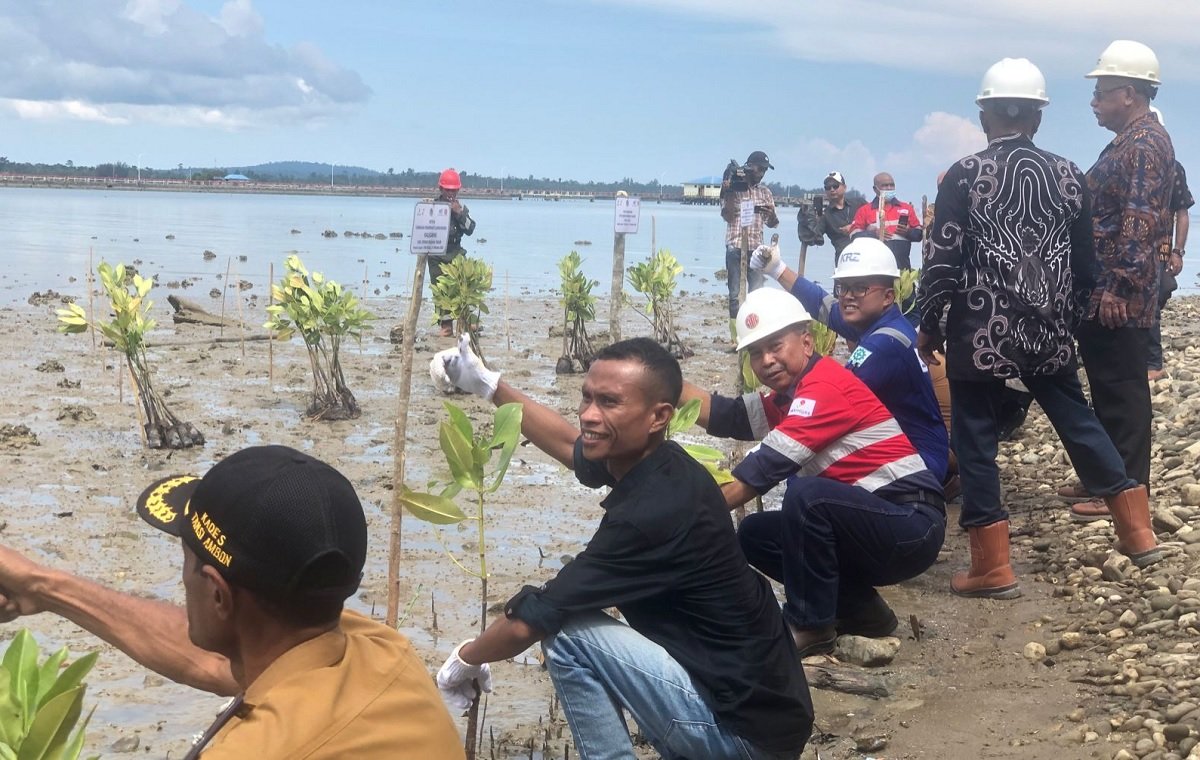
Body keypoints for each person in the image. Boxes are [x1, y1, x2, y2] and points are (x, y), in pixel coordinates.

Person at [430, 336, 812, 759]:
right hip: (769, 713)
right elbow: (568, 445)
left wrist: (461, 663)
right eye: (587, 398)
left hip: (745, 739)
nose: (590, 415)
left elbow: (533, 619)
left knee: (567, 633)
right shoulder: (660, 463)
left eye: (610, 402)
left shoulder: (651, 514)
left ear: (659, 416)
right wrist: (487, 385)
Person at [0, 445, 464, 759]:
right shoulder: (380, 650)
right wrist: (43, 587)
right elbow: (219, 666)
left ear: (217, 592)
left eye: (185, 565)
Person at [917, 57, 1162, 599]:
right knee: (1077, 418)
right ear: (1038, 117)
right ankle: (1136, 528)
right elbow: (1085, 265)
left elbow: (942, 261)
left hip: (980, 333)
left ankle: (993, 568)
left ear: (984, 114)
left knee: (976, 440)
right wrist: (1067, 318)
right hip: (1047, 329)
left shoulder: (964, 174)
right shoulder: (1070, 175)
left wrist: (928, 324)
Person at [680, 288, 946, 656]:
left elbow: (756, 475)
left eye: (775, 346)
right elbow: (731, 416)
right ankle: (863, 612)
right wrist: (667, 387)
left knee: (808, 497)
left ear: (806, 342)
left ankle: (811, 624)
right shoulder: (792, 396)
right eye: (756, 353)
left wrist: (679, 519)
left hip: (911, 523)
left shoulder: (824, 389)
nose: (767, 360)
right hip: (876, 523)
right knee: (756, 534)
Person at [1065, 40, 1177, 520]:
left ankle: (1126, 488)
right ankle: (1104, 477)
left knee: (1123, 391)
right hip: (1103, 288)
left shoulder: (1146, 144)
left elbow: (1141, 217)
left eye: (1102, 91)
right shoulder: (1129, 141)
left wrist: (1121, 284)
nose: (1094, 101)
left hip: (1119, 294)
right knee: (1108, 387)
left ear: (1127, 93)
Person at [750, 236, 949, 484]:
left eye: (860, 288)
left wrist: (765, 454)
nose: (847, 296)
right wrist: (777, 268)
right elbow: (822, 305)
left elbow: (830, 399)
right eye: (843, 287)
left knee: (806, 473)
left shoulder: (884, 345)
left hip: (918, 464)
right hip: (914, 450)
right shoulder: (881, 323)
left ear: (888, 296)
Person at [1146, 107, 1192, 382]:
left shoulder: (1174, 169)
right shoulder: (1125, 160)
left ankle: (1153, 363)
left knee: (1156, 296)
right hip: (1130, 250)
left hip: (1160, 250)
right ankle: (1144, 358)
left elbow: (1182, 211)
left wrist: (1178, 251)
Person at [721, 151, 779, 321]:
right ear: (749, 167)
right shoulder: (733, 188)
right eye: (759, 169)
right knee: (734, 294)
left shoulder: (765, 192)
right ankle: (735, 336)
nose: (761, 174)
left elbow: (773, 223)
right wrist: (729, 191)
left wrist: (771, 213)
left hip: (756, 249)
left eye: (764, 171)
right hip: (735, 245)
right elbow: (728, 217)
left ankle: (753, 331)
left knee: (756, 294)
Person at [429, 167, 477, 337]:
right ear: (441, 189)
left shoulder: (461, 209)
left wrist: (458, 213)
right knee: (440, 290)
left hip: (456, 252)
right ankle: (446, 325)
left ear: (458, 190)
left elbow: (470, 228)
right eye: (447, 190)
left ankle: (467, 321)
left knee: (464, 286)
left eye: (454, 190)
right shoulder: (431, 207)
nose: (450, 194)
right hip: (436, 254)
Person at [849, 172, 923, 270]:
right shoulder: (864, 210)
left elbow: (919, 235)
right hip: (873, 269)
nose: (889, 188)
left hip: (901, 269)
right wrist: (874, 233)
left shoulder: (907, 208)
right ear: (875, 189)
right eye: (884, 185)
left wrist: (908, 232)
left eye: (892, 185)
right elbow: (854, 236)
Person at [799, 171, 862, 263]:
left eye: (835, 186)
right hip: (844, 259)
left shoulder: (859, 204)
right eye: (828, 187)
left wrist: (854, 227)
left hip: (864, 254)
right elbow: (813, 238)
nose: (832, 189)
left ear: (844, 187)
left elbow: (873, 221)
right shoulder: (825, 215)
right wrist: (807, 219)